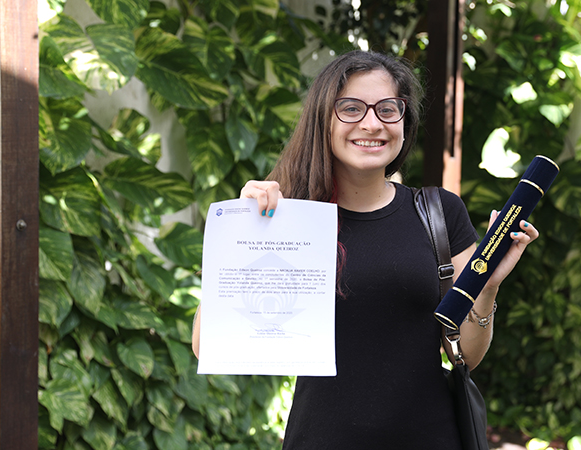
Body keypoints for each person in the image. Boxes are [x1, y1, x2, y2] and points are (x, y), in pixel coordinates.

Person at [192, 50, 539, 449]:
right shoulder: (289, 220)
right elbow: (209, 344)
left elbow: (467, 355)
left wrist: (489, 285)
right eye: (351, 108)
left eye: (387, 109)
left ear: (404, 122)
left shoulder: (440, 212)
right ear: (323, 120)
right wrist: (244, 230)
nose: (372, 123)